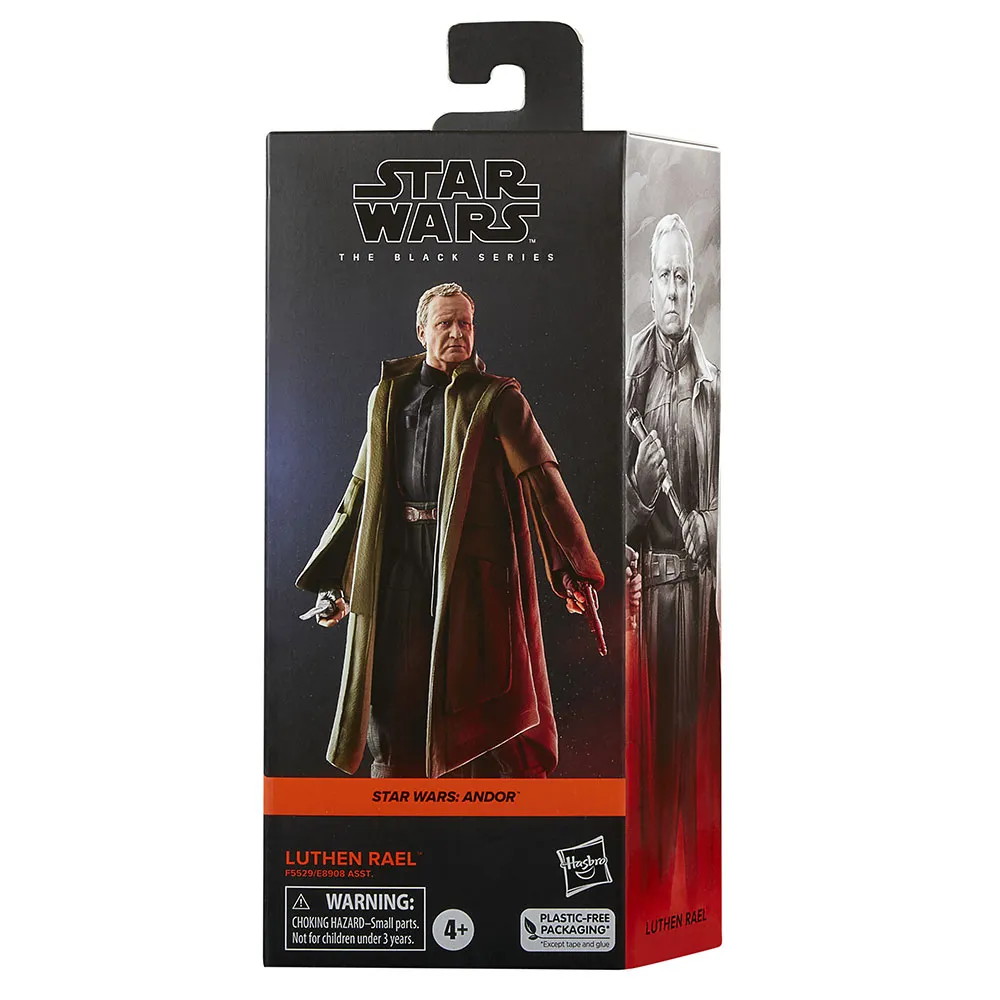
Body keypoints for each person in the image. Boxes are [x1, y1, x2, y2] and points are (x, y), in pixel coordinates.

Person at [297, 282, 604, 779]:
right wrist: (336, 579)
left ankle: (486, 812)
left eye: (466, 323)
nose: (458, 333)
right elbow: (360, 491)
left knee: (477, 702)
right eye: (446, 323)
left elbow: (543, 484)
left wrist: (574, 571)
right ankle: (396, 800)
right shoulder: (388, 398)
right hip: (401, 563)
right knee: (394, 693)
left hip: (469, 568)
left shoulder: (497, 399)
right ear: (422, 331)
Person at [626, 216, 720, 891]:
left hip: (699, 591)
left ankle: (694, 896)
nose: (672, 288)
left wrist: (707, 527)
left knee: (698, 752)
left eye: (682, 277)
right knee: (649, 758)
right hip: (647, 598)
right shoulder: (628, 386)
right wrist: (638, 489)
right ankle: (653, 891)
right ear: (649, 284)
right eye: (663, 275)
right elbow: (597, 510)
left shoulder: (716, 389)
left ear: (694, 288)